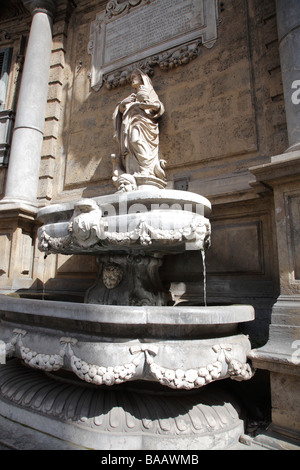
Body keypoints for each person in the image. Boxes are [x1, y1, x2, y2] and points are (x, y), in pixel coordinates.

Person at [112, 69, 166, 186]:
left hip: (144, 123)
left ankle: (147, 169)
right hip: (130, 124)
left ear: (142, 78)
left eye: (135, 76)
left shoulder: (148, 91)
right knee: (132, 145)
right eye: (131, 77)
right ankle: (135, 171)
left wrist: (148, 105)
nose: (132, 79)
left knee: (136, 140)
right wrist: (122, 104)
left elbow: (158, 106)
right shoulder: (131, 97)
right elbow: (120, 112)